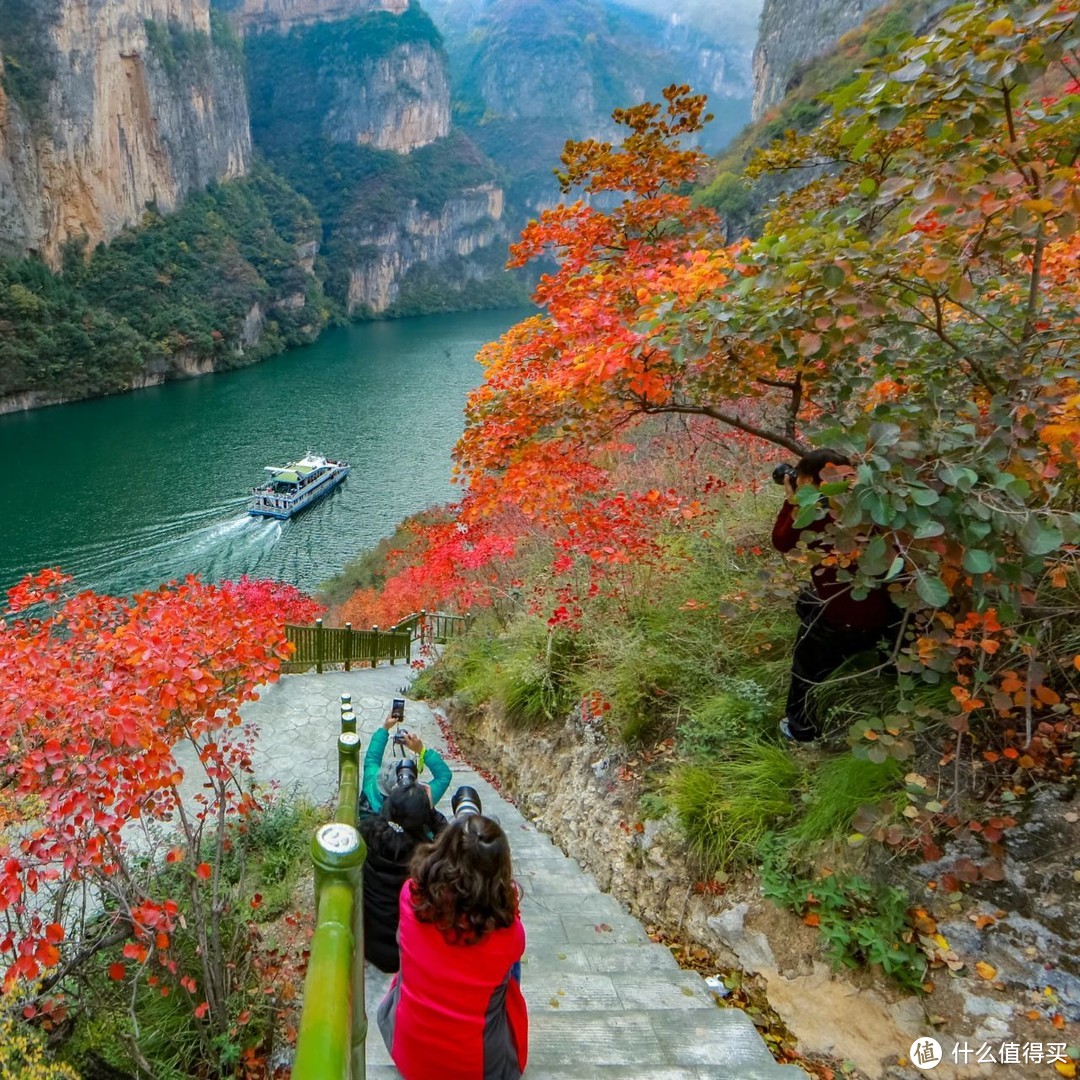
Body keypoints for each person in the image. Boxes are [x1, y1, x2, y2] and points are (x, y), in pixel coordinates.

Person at [377, 815, 528, 1080]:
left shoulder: (410, 896)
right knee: (509, 968)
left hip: (410, 1054)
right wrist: (508, 904)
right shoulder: (510, 935)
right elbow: (502, 926)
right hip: (479, 1070)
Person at [772, 448, 899, 742]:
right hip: (892, 609)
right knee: (807, 599)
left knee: (805, 668)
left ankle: (800, 729)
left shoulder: (815, 513)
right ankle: (889, 668)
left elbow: (781, 541)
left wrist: (793, 500)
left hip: (846, 618)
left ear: (810, 481)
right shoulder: (871, 503)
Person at [359, 710, 453, 972]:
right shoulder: (427, 853)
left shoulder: (371, 828)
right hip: (410, 951)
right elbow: (445, 776)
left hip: (373, 946)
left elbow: (371, 760)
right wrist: (421, 750)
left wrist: (383, 729)